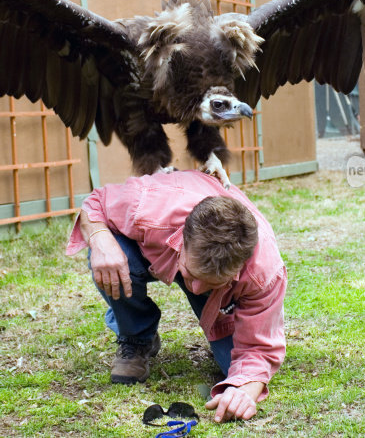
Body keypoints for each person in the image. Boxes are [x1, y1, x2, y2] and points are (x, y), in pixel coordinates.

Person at [65, 169, 286, 423]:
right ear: (183, 238)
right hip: (163, 226)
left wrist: (246, 389)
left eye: (209, 283)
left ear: (239, 268)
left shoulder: (264, 271)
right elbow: (95, 203)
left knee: (233, 372)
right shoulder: (147, 207)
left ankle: (211, 288)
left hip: (220, 276)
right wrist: (99, 238)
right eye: (191, 275)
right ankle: (136, 338)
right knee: (106, 254)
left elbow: (258, 350)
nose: (195, 288)